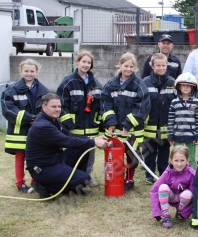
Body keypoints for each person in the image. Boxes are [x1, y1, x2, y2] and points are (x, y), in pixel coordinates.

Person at [25, 93, 108, 198]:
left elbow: (69, 136)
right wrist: (94, 142)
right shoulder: (43, 126)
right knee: (84, 179)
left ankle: (71, 185)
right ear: (44, 107)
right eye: (53, 106)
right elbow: (66, 141)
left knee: (83, 148)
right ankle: (45, 187)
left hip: (55, 160)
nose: (57, 109)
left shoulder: (53, 121)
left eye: (59, 106)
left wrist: (92, 139)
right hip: (43, 168)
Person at [102, 52, 150, 191]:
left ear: (135, 68)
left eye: (131, 66)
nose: (128, 69)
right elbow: (105, 104)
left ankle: (129, 179)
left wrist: (128, 125)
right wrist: (111, 122)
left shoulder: (139, 85)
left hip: (131, 129)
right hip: (115, 129)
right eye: (126, 66)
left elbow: (142, 107)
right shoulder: (110, 84)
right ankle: (115, 178)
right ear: (120, 65)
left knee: (131, 155)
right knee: (114, 155)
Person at [1, 59, 49, 193]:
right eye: (26, 71)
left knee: (35, 157)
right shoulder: (11, 90)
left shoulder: (43, 90)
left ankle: (35, 181)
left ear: (36, 72)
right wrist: (30, 118)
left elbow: (47, 108)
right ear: (20, 71)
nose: (29, 73)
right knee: (20, 157)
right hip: (20, 132)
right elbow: (8, 110)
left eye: (32, 71)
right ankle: (20, 183)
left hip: (36, 130)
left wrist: (38, 120)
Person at [56, 50, 102, 186]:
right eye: (84, 62)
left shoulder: (96, 84)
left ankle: (87, 175)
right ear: (77, 62)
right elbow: (61, 105)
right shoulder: (68, 81)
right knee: (74, 153)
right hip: (74, 128)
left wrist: (98, 122)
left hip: (91, 128)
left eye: (89, 63)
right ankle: (73, 176)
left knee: (90, 153)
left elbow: (101, 104)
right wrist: (68, 124)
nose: (86, 65)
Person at [143, 53, 176, 185]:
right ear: (152, 66)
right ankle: (149, 176)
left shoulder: (173, 83)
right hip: (149, 125)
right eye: (158, 65)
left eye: (164, 65)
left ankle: (163, 175)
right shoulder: (145, 82)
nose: (161, 68)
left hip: (165, 125)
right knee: (149, 152)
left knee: (164, 152)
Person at [150, 145, 196, 228]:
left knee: (189, 194)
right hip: (171, 197)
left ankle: (180, 212)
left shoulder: (191, 174)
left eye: (182, 160)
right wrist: (157, 213)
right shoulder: (167, 173)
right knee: (162, 187)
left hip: (184, 200)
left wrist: (185, 213)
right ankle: (166, 216)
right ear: (171, 161)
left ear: (187, 160)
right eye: (176, 160)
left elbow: (195, 194)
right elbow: (154, 191)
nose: (179, 164)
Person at [167, 72, 198, 169]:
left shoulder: (196, 102)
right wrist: (170, 136)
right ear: (179, 87)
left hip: (191, 137)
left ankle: (192, 179)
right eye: (183, 85)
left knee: (191, 159)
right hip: (177, 136)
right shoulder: (174, 102)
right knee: (177, 158)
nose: (186, 87)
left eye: (188, 86)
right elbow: (170, 120)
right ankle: (177, 177)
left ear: (193, 88)